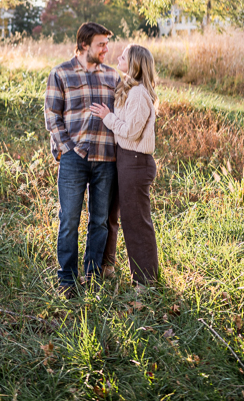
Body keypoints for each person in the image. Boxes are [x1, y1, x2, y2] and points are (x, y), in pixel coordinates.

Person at [44, 22, 119, 298]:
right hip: (73, 159)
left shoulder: (113, 77)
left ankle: (93, 274)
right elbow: (52, 115)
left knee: (99, 220)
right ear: (84, 44)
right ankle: (67, 279)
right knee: (69, 220)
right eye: (101, 44)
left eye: (107, 44)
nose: (106, 49)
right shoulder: (61, 73)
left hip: (105, 158)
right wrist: (67, 149)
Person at [90, 44, 160, 285]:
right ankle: (106, 266)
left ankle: (146, 281)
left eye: (123, 57)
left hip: (136, 162)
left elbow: (130, 131)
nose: (117, 58)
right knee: (112, 214)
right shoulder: (128, 89)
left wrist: (106, 117)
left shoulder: (139, 93)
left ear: (134, 64)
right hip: (123, 159)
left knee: (136, 222)